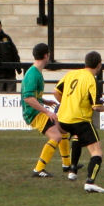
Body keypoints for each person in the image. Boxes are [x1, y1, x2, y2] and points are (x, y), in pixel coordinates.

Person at [54, 51, 104, 193]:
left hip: (63, 119)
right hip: (80, 119)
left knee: (77, 136)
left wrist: (67, 104)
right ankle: (90, 182)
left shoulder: (71, 74)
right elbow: (96, 107)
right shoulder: (91, 80)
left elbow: (56, 92)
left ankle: (73, 170)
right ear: (99, 65)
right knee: (97, 152)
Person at [21, 43, 71, 178]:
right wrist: (47, 111)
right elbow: (28, 98)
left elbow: (34, 96)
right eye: (48, 54)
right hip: (33, 114)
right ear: (45, 55)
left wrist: (45, 101)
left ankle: (67, 165)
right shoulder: (33, 74)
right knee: (56, 136)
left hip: (36, 111)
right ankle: (38, 169)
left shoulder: (36, 72)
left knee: (63, 129)